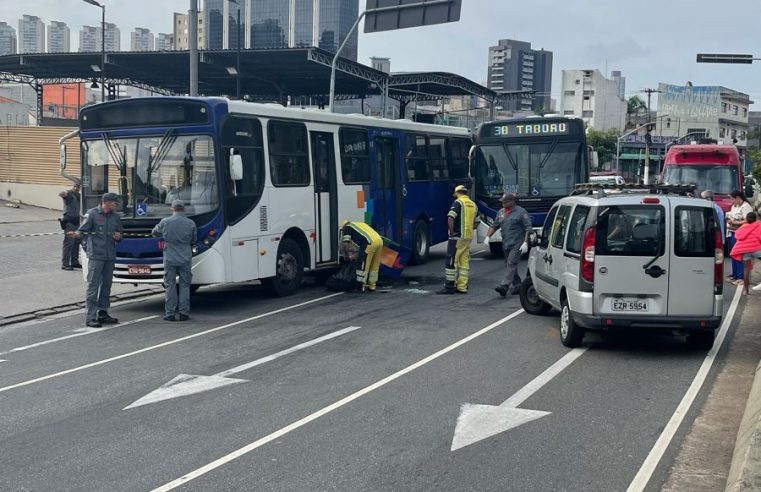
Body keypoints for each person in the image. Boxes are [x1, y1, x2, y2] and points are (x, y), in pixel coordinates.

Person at [70, 192, 123, 328]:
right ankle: (90, 316)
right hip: (96, 255)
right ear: (106, 203)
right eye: (114, 203)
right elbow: (82, 231)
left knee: (106, 285)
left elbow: (120, 233)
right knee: (93, 285)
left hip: (109, 255)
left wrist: (118, 236)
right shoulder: (92, 214)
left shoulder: (115, 217)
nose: (116, 206)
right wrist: (76, 235)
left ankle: (103, 312)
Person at [152, 200, 198, 321]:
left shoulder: (165, 222)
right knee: (185, 286)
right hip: (185, 258)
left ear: (172, 209)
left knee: (170, 285)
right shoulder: (190, 223)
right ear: (183, 209)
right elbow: (194, 240)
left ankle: (170, 313)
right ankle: (184, 313)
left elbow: (154, 232)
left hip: (170, 258)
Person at [486, 193, 531, 297]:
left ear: (512, 201)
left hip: (518, 243)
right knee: (509, 264)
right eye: (502, 201)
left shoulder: (521, 212)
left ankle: (504, 286)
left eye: (505, 201)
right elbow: (494, 225)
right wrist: (488, 236)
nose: (503, 203)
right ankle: (518, 285)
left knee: (511, 263)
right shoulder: (501, 212)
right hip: (506, 243)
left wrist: (525, 243)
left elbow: (528, 229)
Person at [437, 184, 477, 294]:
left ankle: (449, 286)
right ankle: (462, 287)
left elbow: (450, 217)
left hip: (457, 237)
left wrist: (451, 231)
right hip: (468, 237)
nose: (454, 195)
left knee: (451, 260)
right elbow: (477, 222)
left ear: (457, 193)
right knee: (464, 262)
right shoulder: (473, 205)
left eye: (455, 193)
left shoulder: (458, 203)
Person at [339, 220, 383, 292]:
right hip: (379, 241)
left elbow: (346, 244)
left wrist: (346, 256)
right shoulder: (359, 224)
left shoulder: (347, 228)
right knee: (374, 265)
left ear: (343, 227)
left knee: (364, 264)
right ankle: (372, 286)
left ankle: (361, 285)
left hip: (370, 243)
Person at [726, 190, 754, 285]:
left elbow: (748, 220)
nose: (732, 201)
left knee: (740, 255)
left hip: (742, 234)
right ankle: (735, 274)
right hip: (733, 231)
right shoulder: (734, 206)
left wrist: (735, 223)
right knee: (733, 254)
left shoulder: (746, 207)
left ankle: (741, 276)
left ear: (738, 198)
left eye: (733, 199)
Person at [730, 212, 761, 294]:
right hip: (757, 249)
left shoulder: (743, 227)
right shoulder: (758, 225)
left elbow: (737, 236)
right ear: (756, 219)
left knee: (746, 270)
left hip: (745, 250)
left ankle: (746, 291)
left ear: (746, 219)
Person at [59, 179, 82, 270]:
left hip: (77, 221)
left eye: (78, 186)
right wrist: (63, 193)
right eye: (74, 186)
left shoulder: (79, 196)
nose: (76, 188)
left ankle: (74, 262)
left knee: (76, 242)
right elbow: (64, 194)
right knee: (69, 243)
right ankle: (65, 264)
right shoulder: (69, 195)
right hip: (69, 222)